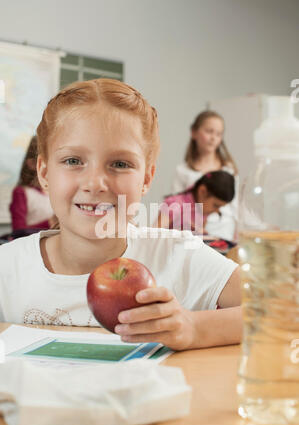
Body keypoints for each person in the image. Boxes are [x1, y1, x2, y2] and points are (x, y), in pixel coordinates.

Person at [0, 79, 241, 351]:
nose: (95, 183)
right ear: (44, 173)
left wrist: (195, 328)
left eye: (119, 164)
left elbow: (284, 309)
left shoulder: (179, 255)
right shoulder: (7, 268)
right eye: (73, 161)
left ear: (146, 178)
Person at [172, 111, 239, 241]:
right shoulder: (183, 171)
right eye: (209, 131)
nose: (213, 137)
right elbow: (177, 206)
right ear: (194, 132)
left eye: (219, 134)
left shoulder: (229, 169)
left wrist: (238, 234)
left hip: (225, 232)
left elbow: (235, 207)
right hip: (193, 233)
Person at [155, 170, 235, 234]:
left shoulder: (204, 210)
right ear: (202, 191)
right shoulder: (175, 204)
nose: (217, 211)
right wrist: (179, 230)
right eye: (215, 205)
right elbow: (154, 234)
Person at [9, 135, 54, 232]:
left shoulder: (56, 192)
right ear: (32, 164)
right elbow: (18, 231)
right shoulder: (21, 192)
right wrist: (50, 222)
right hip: (33, 244)